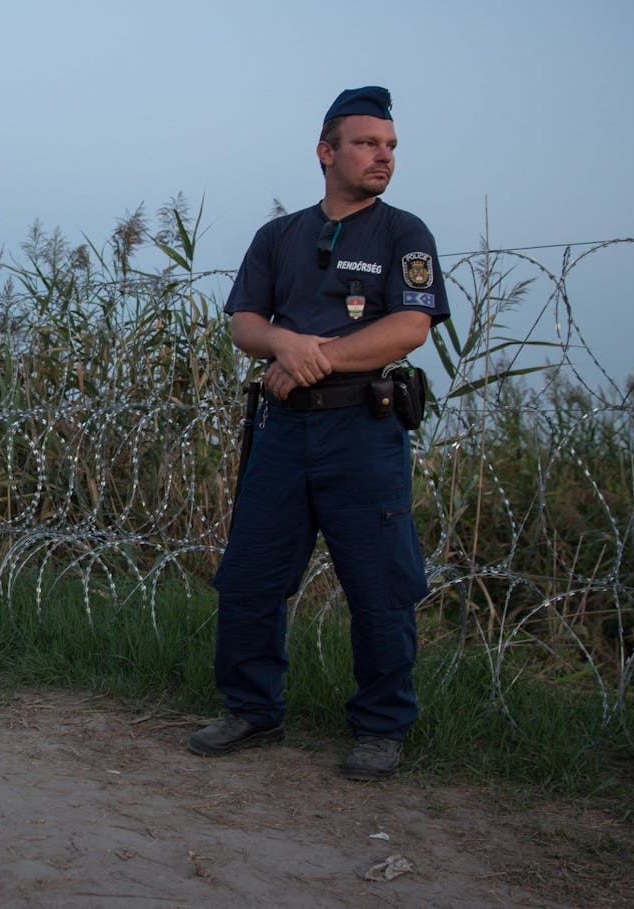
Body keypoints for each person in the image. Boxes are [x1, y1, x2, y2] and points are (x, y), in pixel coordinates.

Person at [189, 86, 450, 780]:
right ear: (326, 151)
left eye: (390, 146)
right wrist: (283, 343)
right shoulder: (279, 236)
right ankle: (252, 709)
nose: (383, 157)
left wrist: (314, 357)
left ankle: (381, 726)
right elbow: (245, 322)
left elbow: (411, 326)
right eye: (367, 143)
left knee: (380, 584)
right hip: (283, 430)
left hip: (364, 427)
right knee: (250, 575)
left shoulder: (404, 233)